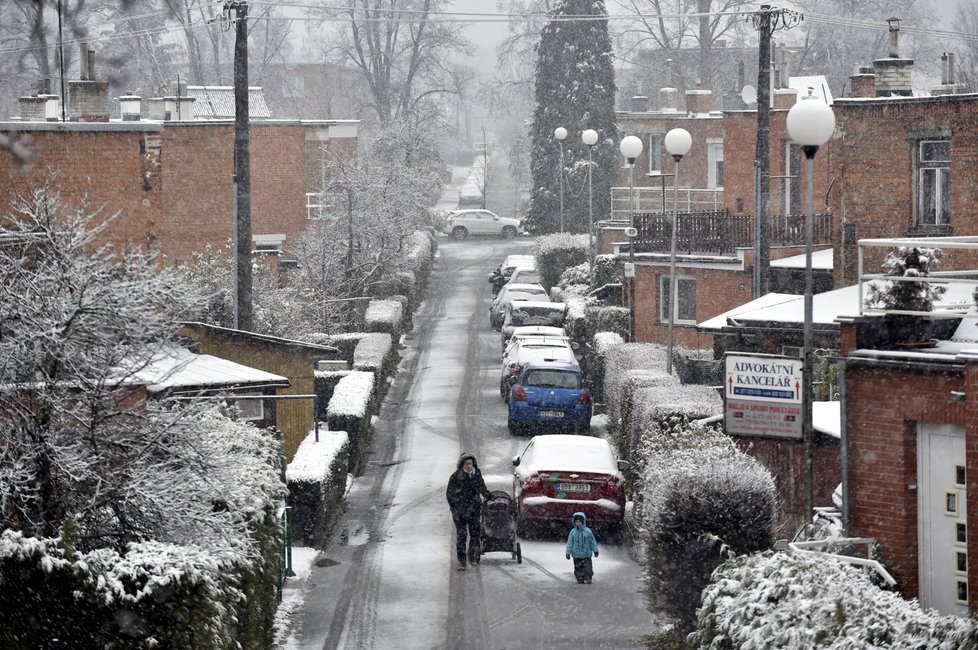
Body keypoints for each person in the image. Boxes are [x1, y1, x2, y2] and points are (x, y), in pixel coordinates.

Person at [446, 452, 493, 571]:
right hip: (460, 511)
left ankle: (473, 556)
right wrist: (456, 508)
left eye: (470, 463)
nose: (468, 466)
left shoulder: (476, 473)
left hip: (474, 509)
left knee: (475, 534)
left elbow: (481, 486)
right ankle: (462, 561)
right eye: (466, 464)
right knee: (462, 536)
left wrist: (487, 495)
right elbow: (450, 494)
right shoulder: (456, 476)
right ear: (462, 465)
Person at [565, 512, 599, 584]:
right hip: (576, 555)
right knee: (578, 568)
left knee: (588, 568)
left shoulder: (587, 531)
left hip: (586, 554)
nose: (578, 523)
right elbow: (569, 543)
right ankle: (580, 578)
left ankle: (588, 577)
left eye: (580, 522)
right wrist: (568, 552)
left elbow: (592, 541)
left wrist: (595, 550)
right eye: (576, 522)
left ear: (583, 522)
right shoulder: (573, 532)